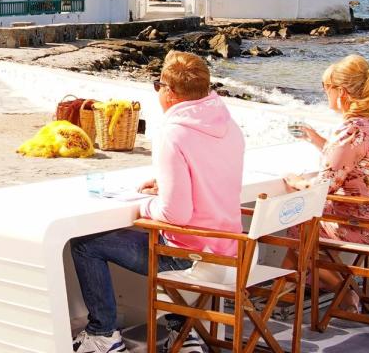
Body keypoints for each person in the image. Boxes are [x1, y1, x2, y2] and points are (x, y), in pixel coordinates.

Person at [70, 51, 245, 353]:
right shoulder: (229, 125)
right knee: (156, 236)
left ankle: (103, 334)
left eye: (157, 85)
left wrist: (143, 206)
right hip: (230, 253)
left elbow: (175, 214)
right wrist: (166, 186)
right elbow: (211, 182)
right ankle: (183, 331)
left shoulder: (173, 133)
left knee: (86, 244)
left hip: (190, 260)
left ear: (170, 91)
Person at [284, 54, 369, 312]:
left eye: (327, 88)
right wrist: (318, 141)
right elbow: (357, 161)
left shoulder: (351, 130)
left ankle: (341, 291)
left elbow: (323, 188)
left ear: (341, 92)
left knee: (297, 227)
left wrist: (297, 181)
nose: (325, 93)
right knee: (304, 229)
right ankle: (291, 295)